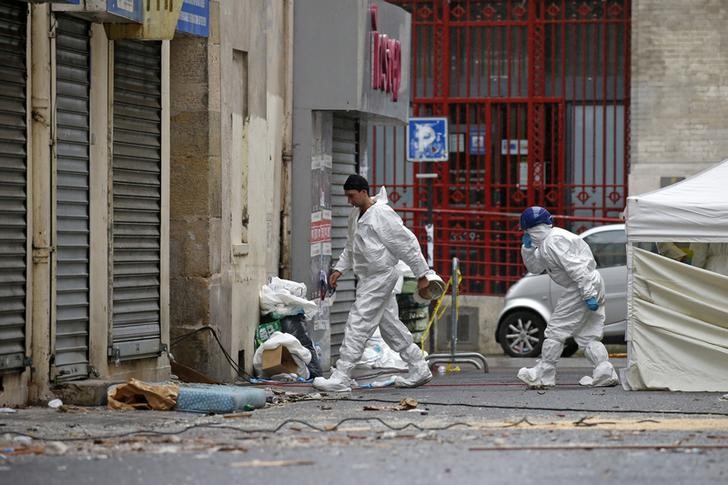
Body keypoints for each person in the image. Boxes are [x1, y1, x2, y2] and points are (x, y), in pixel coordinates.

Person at [313, 174, 443, 392]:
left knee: (358, 320)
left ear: (364, 192)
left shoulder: (381, 214)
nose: (349, 201)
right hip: (368, 278)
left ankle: (342, 375)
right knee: (389, 326)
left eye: (352, 196)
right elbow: (351, 246)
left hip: (380, 276)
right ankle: (419, 366)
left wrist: (423, 274)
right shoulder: (355, 216)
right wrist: (339, 269)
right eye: (347, 196)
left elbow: (407, 243)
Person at [516, 206, 619, 388]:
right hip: (589, 282)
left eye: (527, 231)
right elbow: (535, 268)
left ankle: (544, 374)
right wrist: (528, 249)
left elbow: (576, 268)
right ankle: (604, 371)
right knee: (588, 334)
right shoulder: (546, 243)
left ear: (533, 228)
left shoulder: (553, 241)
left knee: (556, 331)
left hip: (581, 285)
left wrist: (587, 294)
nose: (527, 234)